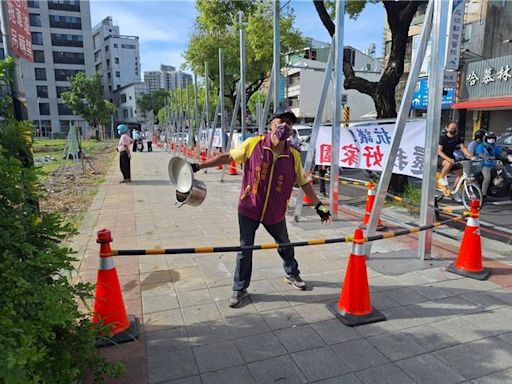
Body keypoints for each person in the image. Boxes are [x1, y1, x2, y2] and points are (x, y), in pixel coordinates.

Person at [191, 108, 332, 308]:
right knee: (244, 248)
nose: (284, 126)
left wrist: (319, 206)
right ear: (271, 125)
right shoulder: (253, 144)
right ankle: (240, 288)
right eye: (280, 121)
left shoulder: (293, 155)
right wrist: (198, 166)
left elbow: (304, 182)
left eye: (289, 123)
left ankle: (292, 274)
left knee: (284, 243)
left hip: (275, 212)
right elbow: (228, 157)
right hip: (249, 208)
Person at [438, 122, 474, 202]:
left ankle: (455, 192)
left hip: (452, 158)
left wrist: (471, 156)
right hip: (441, 158)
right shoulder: (442, 138)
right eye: (451, 128)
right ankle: (441, 178)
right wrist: (448, 159)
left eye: (455, 128)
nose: (453, 130)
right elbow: (439, 151)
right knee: (449, 163)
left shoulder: (457, 138)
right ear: (447, 128)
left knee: (460, 174)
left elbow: (463, 148)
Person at [476, 131, 502, 201]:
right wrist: (488, 157)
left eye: (493, 138)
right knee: (487, 179)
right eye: (490, 138)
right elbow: (480, 154)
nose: (491, 139)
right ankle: (483, 194)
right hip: (485, 165)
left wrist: (506, 153)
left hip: (494, 164)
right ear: (486, 138)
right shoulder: (482, 146)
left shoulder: (494, 147)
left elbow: (500, 152)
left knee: (504, 169)